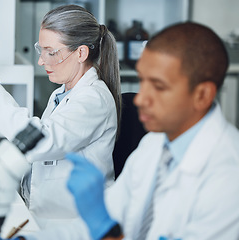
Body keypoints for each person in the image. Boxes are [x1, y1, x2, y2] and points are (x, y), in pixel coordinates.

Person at [63, 22, 239, 240]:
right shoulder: (154, 144)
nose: (140, 99)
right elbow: (109, 214)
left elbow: (103, 223)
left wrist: (103, 228)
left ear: (202, 95)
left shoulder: (229, 177)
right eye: (142, 81)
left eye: (159, 86)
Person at [0, 4, 121, 231]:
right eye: (40, 50)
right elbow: (41, 160)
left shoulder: (94, 99)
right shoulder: (62, 94)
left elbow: (42, 143)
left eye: (51, 52)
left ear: (81, 53)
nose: (42, 61)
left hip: (73, 224)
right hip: (42, 215)